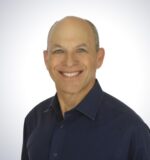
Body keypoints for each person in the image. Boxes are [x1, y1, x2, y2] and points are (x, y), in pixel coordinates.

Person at [21, 16, 150, 160]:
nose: (69, 61)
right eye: (59, 51)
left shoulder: (132, 130)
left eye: (81, 50)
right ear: (46, 59)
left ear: (99, 58)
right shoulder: (33, 120)